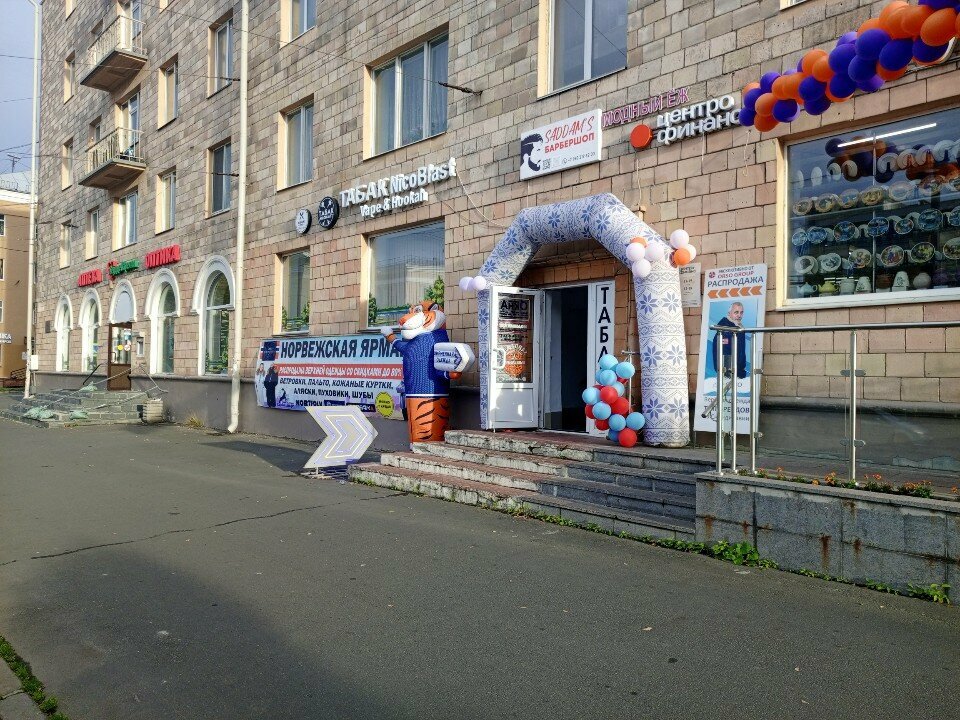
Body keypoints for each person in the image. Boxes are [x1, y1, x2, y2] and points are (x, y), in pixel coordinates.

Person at [712, 302, 748, 379]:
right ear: (729, 313)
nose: (739, 315)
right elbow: (725, 355)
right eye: (736, 312)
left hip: (738, 373)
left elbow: (741, 352)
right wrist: (728, 374)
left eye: (741, 312)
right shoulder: (724, 331)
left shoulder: (738, 327)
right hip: (729, 375)